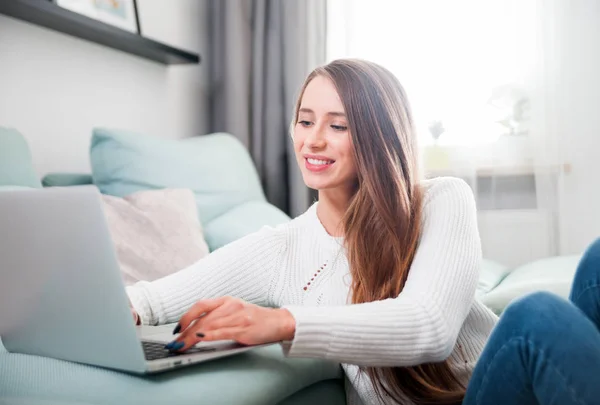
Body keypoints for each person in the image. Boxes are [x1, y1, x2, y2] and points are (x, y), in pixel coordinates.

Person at [127, 59, 599, 405]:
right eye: (305, 121)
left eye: (338, 126)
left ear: (377, 135)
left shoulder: (440, 200)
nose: (313, 140)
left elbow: (428, 327)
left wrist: (284, 321)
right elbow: (148, 300)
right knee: (537, 316)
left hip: (501, 383)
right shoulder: (278, 249)